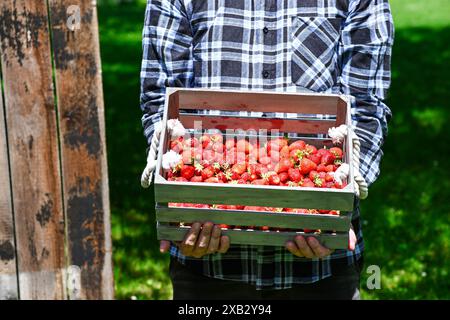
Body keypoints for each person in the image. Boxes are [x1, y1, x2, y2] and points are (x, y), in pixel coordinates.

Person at [140, 0, 394, 300]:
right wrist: (181, 209)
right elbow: (161, 100)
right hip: (207, 260)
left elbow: (365, 107)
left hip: (322, 260)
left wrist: (334, 205)